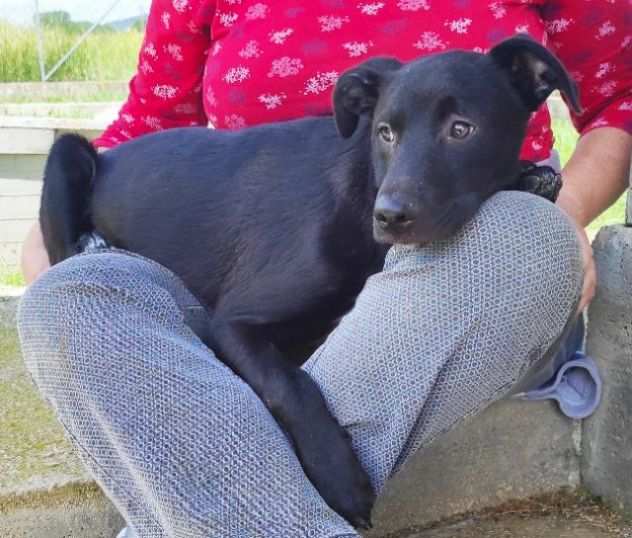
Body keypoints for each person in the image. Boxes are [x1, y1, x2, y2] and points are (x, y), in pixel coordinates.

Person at [18, 1, 631, 537]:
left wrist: (568, 209)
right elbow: (145, 122)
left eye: (459, 128)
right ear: (369, 124)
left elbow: (621, 96)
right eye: (388, 133)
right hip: (216, 288)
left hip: (463, 278)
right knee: (63, 298)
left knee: (525, 232)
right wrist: (50, 242)